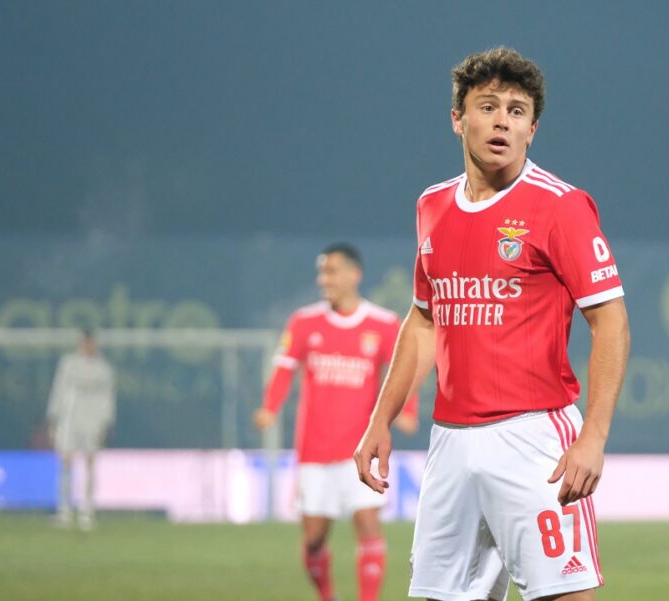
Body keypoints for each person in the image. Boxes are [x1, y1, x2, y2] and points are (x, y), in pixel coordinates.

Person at [355, 48, 631, 601]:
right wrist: (380, 418)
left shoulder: (561, 205)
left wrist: (593, 438)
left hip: (533, 441)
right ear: (458, 119)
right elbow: (424, 319)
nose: (503, 119)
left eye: (517, 110)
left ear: (532, 129)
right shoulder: (431, 205)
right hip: (450, 443)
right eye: (488, 106)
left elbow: (611, 322)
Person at [254, 243, 419, 601]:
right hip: (314, 449)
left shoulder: (383, 323)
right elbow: (284, 369)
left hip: (359, 450)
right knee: (313, 539)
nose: (323, 279)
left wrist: (407, 410)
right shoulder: (304, 322)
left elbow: (404, 370)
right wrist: (270, 406)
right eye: (321, 272)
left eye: (330, 271)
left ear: (353, 274)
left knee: (368, 525)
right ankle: (328, 597)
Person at [46, 328, 116, 531]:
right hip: (70, 419)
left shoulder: (104, 368)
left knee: (90, 463)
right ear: (81, 344)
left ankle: (87, 511)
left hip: (92, 421)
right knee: (66, 461)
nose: (88, 346)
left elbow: (108, 398)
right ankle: (64, 511)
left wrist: (106, 421)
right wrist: (53, 416)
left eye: (91, 343)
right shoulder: (69, 364)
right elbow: (59, 389)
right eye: (85, 343)